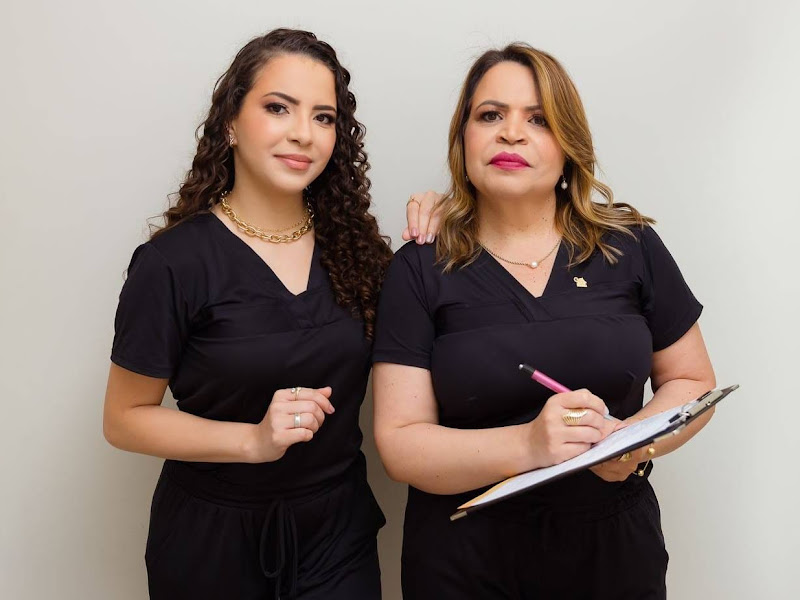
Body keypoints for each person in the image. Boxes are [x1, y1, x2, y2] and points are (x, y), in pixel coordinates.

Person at [102, 28, 439, 600]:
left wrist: (451, 211)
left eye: (324, 117)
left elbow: (440, 331)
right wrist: (252, 441)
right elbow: (124, 419)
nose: (303, 133)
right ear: (231, 123)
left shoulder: (359, 253)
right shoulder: (173, 263)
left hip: (337, 537)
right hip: (210, 543)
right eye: (279, 108)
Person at [372, 43, 716, 599]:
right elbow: (400, 444)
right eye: (490, 115)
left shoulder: (630, 246)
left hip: (614, 558)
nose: (511, 133)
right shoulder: (420, 266)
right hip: (465, 565)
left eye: (538, 119)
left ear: (568, 145)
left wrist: (632, 445)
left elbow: (693, 380)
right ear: (464, 139)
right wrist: (529, 445)